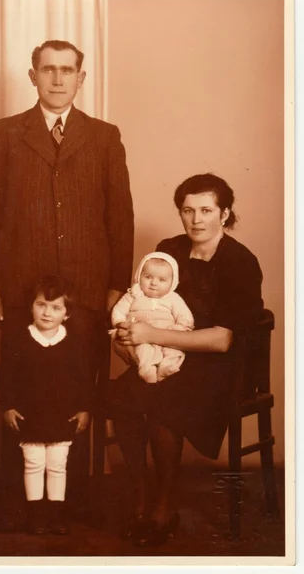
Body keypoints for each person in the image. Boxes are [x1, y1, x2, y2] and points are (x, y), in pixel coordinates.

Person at [0, 39, 134, 528]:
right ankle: (18, 507)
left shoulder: (104, 136)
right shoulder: (4, 133)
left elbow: (119, 217)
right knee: (23, 396)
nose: (58, 79)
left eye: (68, 71)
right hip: (23, 291)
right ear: (32, 75)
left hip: (86, 289)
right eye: (49, 70)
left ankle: (75, 506)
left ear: (81, 79)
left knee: (79, 396)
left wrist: (115, 286)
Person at [107, 173, 264, 547]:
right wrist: (129, 341)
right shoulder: (168, 250)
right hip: (166, 355)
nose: (196, 219)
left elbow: (223, 340)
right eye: (188, 210)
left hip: (220, 366)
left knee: (163, 403)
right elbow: (142, 304)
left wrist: (151, 336)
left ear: (224, 214)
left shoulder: (240, 261)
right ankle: (141, 498)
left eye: (206, 210)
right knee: (122, 398)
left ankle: (164, 507)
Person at [0, 275, 90, 535]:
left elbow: (84, 379)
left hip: (62, 417)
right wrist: (8, 406)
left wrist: (84, 408)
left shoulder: (73, 343)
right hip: (30, 416)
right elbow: (6, 376)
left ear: (67, 314)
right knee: (34, 463)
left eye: (56, 307)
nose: (47, 313)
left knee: (58, 464)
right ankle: (36, 514)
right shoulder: (20, 340)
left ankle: (56, 514)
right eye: (41, 305)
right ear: (31, 307)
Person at [111, 252, 194, 383]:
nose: (154, 283)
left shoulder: (173, 298)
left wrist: (179, 326)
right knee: (143, 350)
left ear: (172, 282)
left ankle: (168, 366)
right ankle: (146, 369)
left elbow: (184, 316)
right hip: (139, 334)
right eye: (148, 277)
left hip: (167, 333)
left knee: (174, 350)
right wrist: (121, 324)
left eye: (162, 280)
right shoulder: (133, 295)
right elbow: (119, 311)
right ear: (139, 276)